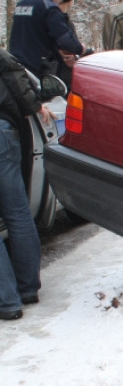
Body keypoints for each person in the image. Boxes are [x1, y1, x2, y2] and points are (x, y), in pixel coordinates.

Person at [0, 50, 51, 321]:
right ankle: (28, 288)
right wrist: (36, 106)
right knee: (18, 213)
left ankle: (7, 301)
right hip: (5, 132)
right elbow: (18, 78)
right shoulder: (2, 58)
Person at [8, 0, 85, 80]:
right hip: (38, 69)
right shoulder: (49, 7)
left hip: (16, 67)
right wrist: (81, 49)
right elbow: (64, 39)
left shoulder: (21, 5)